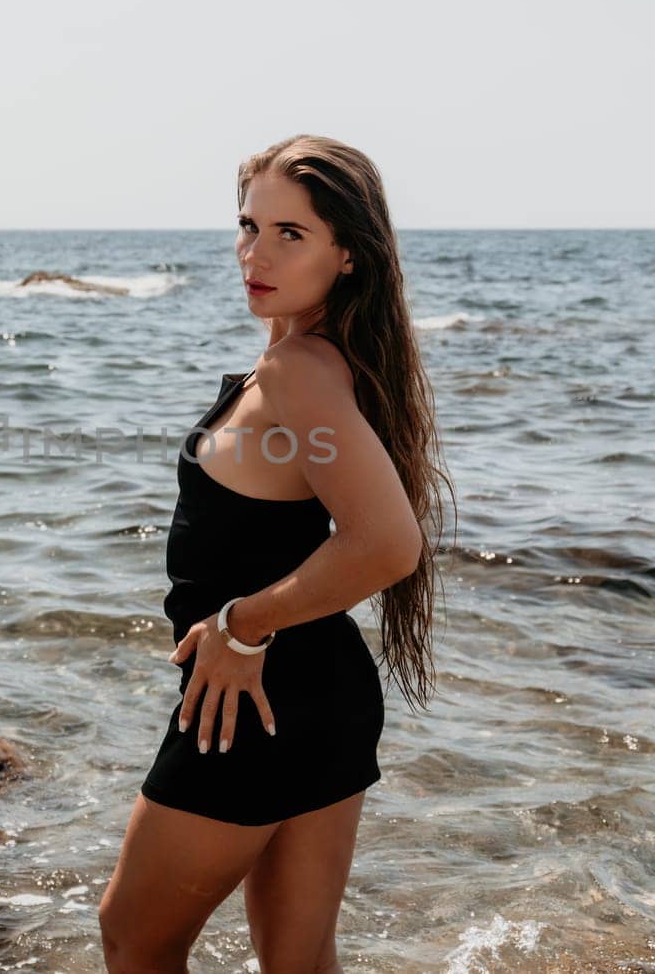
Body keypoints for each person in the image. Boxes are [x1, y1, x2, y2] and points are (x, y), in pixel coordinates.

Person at [98, 134, 455, 972]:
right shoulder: (319, 362)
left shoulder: (300, 370)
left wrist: (242, 626)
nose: (254, 252)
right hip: (317, 695)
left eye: (289, 234)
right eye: (248, 224)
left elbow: (389, 542)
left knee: (133, 939)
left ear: (348, 257)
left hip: (253, 704)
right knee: (299, 963)